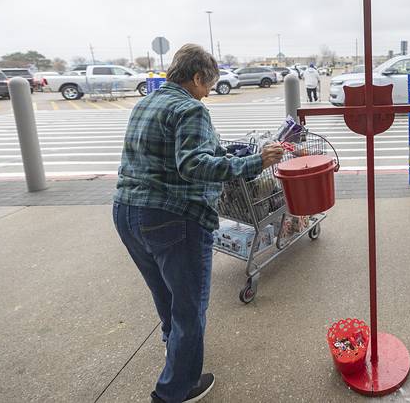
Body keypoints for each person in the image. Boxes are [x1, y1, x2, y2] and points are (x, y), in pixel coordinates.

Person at [113, 44, 284, 403]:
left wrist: (230, 152)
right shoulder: (191, 108)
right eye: (208, 85)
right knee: (189, 307)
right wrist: (255, 163)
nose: (208, 93)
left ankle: (174, 351)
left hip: (127, 213)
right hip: (173, 218)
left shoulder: (147, 102)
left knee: (165, 294)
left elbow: (180, 152)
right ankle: (176, 389)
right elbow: (192, 165)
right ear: (195, 78)